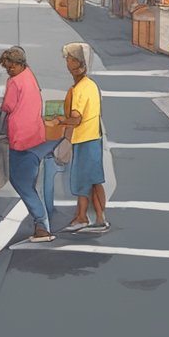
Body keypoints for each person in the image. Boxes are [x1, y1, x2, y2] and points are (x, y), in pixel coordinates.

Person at [0, 47, 58, 242]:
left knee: (20, 182)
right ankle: (45, 215)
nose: (8, 71)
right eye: (7, 68)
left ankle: (42, 225)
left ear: (18, 64)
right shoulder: (29, 76)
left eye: (10, 67)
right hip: (36, 134)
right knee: (32, 179)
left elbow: (8, 106)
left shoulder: (14, 82)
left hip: (21, 138)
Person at [58, 43, 109, 233]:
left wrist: (59, 121)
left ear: (77, 63)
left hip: (84, 139)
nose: (67, 62)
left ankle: (83, 217)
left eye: (69, 59)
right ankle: (99, 217)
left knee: (81, 181)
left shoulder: (79, 89)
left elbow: (76, 118)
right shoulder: (91, 85)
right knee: (94, 179)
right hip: (94, 137)